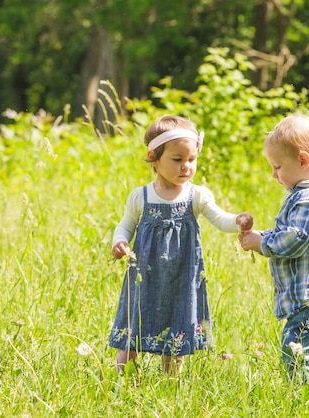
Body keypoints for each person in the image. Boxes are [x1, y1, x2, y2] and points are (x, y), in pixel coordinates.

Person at [110, 115, 254, 375]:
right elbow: (125, 225)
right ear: (154, 158)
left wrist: (238, 222)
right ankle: (121, 380)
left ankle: (170, 384)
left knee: (178, 327)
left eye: (191, 159)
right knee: (135, 326)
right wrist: (119, 242)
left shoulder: (196, 195)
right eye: (177, 160)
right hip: (145, 275)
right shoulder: (141, 196)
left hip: (183, 277)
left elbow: (219, 218)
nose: (185, 166)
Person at [239, 114, 309, 383]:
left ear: (303, 160)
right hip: (307, 294)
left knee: (298, 350)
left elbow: (296, 239)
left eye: (277, 167)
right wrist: (262, 236)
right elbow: (290, 234)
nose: (274, 175)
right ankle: (308, 393)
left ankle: (305, 399)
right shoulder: (304, 194)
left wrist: (261, 243)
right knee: (298, 347)